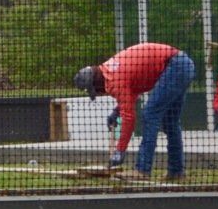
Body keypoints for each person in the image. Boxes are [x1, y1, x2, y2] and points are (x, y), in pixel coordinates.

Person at [72, 42, 195, 180]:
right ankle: (176, 172)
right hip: (183, 64)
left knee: (150, 115)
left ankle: (142, 170)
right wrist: (117, 111)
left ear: (96, 83)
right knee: (170, 122)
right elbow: (133, 90)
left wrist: (120, 150)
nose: (99, 93)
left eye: (94, 90)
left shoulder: (114, 81)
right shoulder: (111, 70)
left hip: (174, 67)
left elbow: (129, 119)